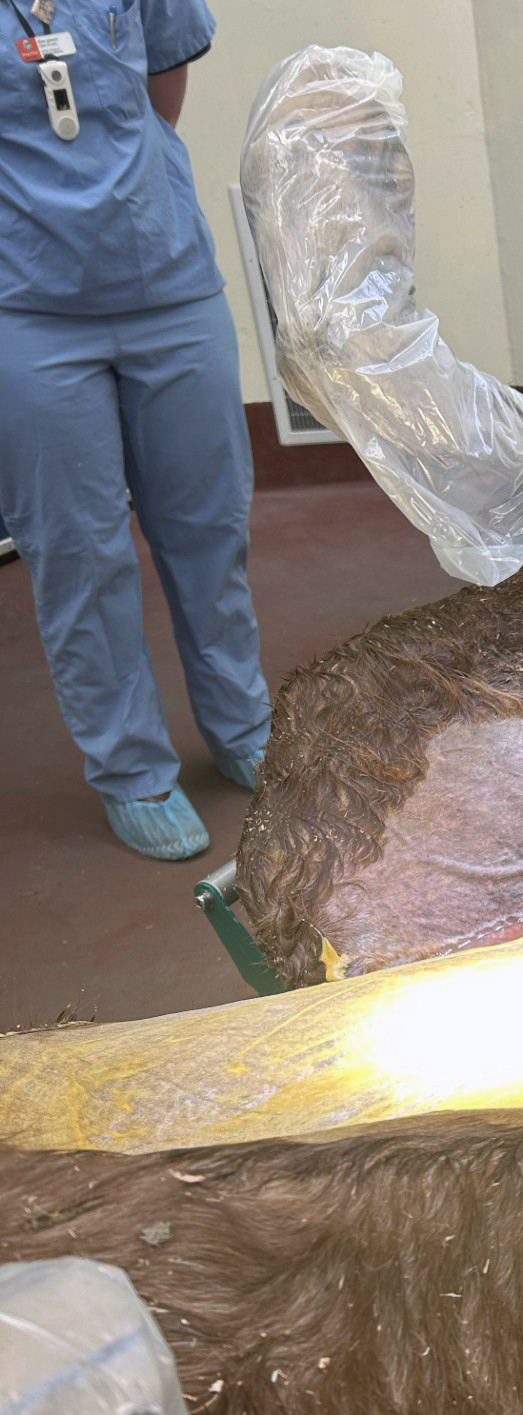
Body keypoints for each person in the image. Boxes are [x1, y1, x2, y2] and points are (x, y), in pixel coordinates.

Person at [0, 0, 269, 861]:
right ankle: (131, 770)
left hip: (170, 285)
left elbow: (161, 96)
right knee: (76, 552)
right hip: (27, 308)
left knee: (209, 525)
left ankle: (240, 726)